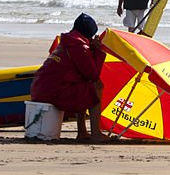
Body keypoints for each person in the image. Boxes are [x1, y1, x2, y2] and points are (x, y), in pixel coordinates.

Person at [30, 13, 110, 142]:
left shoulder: (67, 41)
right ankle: (96, 133)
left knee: (83, 85)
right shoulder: (79, 47)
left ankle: (82, 132)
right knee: (96, 86)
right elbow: (93, 75)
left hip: (40, 89)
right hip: (52, 93)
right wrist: (98, 52)